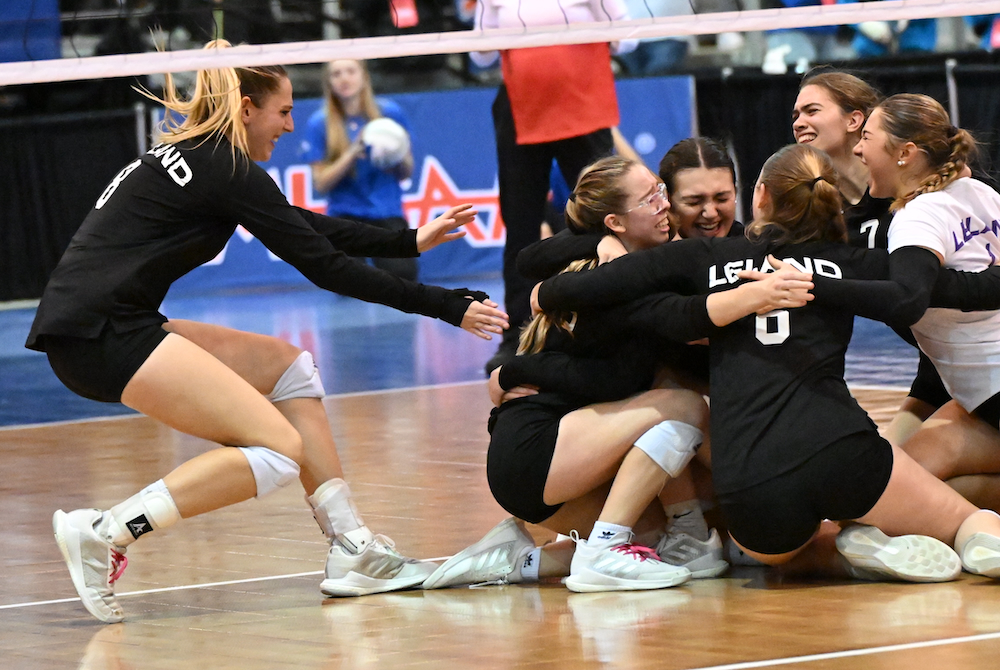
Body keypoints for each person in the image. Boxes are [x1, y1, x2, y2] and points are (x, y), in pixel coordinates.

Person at [31, 40, 510, 624]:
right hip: (99, 336)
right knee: (279, 449)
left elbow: (297, 224)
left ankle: (352, 549)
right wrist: (445, 305)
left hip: (105, 324)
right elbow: (323, 267)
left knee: (291, 369)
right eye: (282, 111)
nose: (289, 124)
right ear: (247, 108)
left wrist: (406, 240)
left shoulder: (207, 158)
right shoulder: (223, 165)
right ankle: (106, 532)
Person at [531, 142, 1000, 581]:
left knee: (765, 554)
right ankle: (950, 539)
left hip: (751, 478)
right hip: (840, 446)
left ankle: (846, 552)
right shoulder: (854, 260)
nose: (710, 212)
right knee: (966, 520)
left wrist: (569, 279)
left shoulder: (696, 256)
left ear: (757, 196)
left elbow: (566, 289)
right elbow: (941, 289)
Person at [423, 157, 813, 592]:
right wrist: (513, 370)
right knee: (680, 406)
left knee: (660, 539)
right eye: (660, 198)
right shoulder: (614, 277)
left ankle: (520, 559)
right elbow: (623, 365)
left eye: (722, 198)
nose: (682, 209)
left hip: (566, 450)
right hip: (541, 454)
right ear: (616, 222)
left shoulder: (662, 255)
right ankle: (613, 546)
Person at [829, 93, 1000, 513]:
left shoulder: (917, 218)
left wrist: (811, 285)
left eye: (866, 137)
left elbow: (907, 298)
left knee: (887, 501)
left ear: (905, 153)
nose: (857, 148)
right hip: (981, 396)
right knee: (902, 480)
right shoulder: (977, 191)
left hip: (993, 388)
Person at [473, 0, 636, 375]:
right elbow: (480, 55)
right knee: (521, 224)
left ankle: (616, 322)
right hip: (519, 105)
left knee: (604, 217)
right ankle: (518, 335)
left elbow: (627, 36)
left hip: (581, 102)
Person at [792, 69, 952, 447]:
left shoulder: (924, 192)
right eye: (796, 115)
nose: (799, 123)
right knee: (892, 471)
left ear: (854, 120)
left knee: (913, 474)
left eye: (812, 111)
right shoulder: (832, 214)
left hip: (978, 354)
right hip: (941, 363)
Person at [301, 59, 418, 280]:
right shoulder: (319, 123)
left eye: (350, 71)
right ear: (329, 82)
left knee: (403, 277)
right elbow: (321, 184)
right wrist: (352, 153)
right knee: (346, 282)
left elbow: (407, 171)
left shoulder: (390, 114)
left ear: (364, 76)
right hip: (344, 217)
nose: (344, 78)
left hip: (386, 212)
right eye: (336, 74)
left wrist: (392, 154)